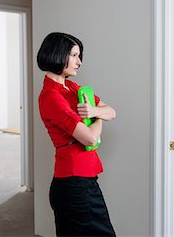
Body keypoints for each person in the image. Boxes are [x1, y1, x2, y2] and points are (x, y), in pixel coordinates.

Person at [37, 32, 117, 236]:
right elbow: (90, 138)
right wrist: (98, 117)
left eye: (79, 56)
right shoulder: (51, 97)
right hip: (74, 184)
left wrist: (94, 113)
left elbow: (112, 111)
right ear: (57, 54)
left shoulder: (73, 88)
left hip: (85, 180)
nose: (79, 62)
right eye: (74, 55)